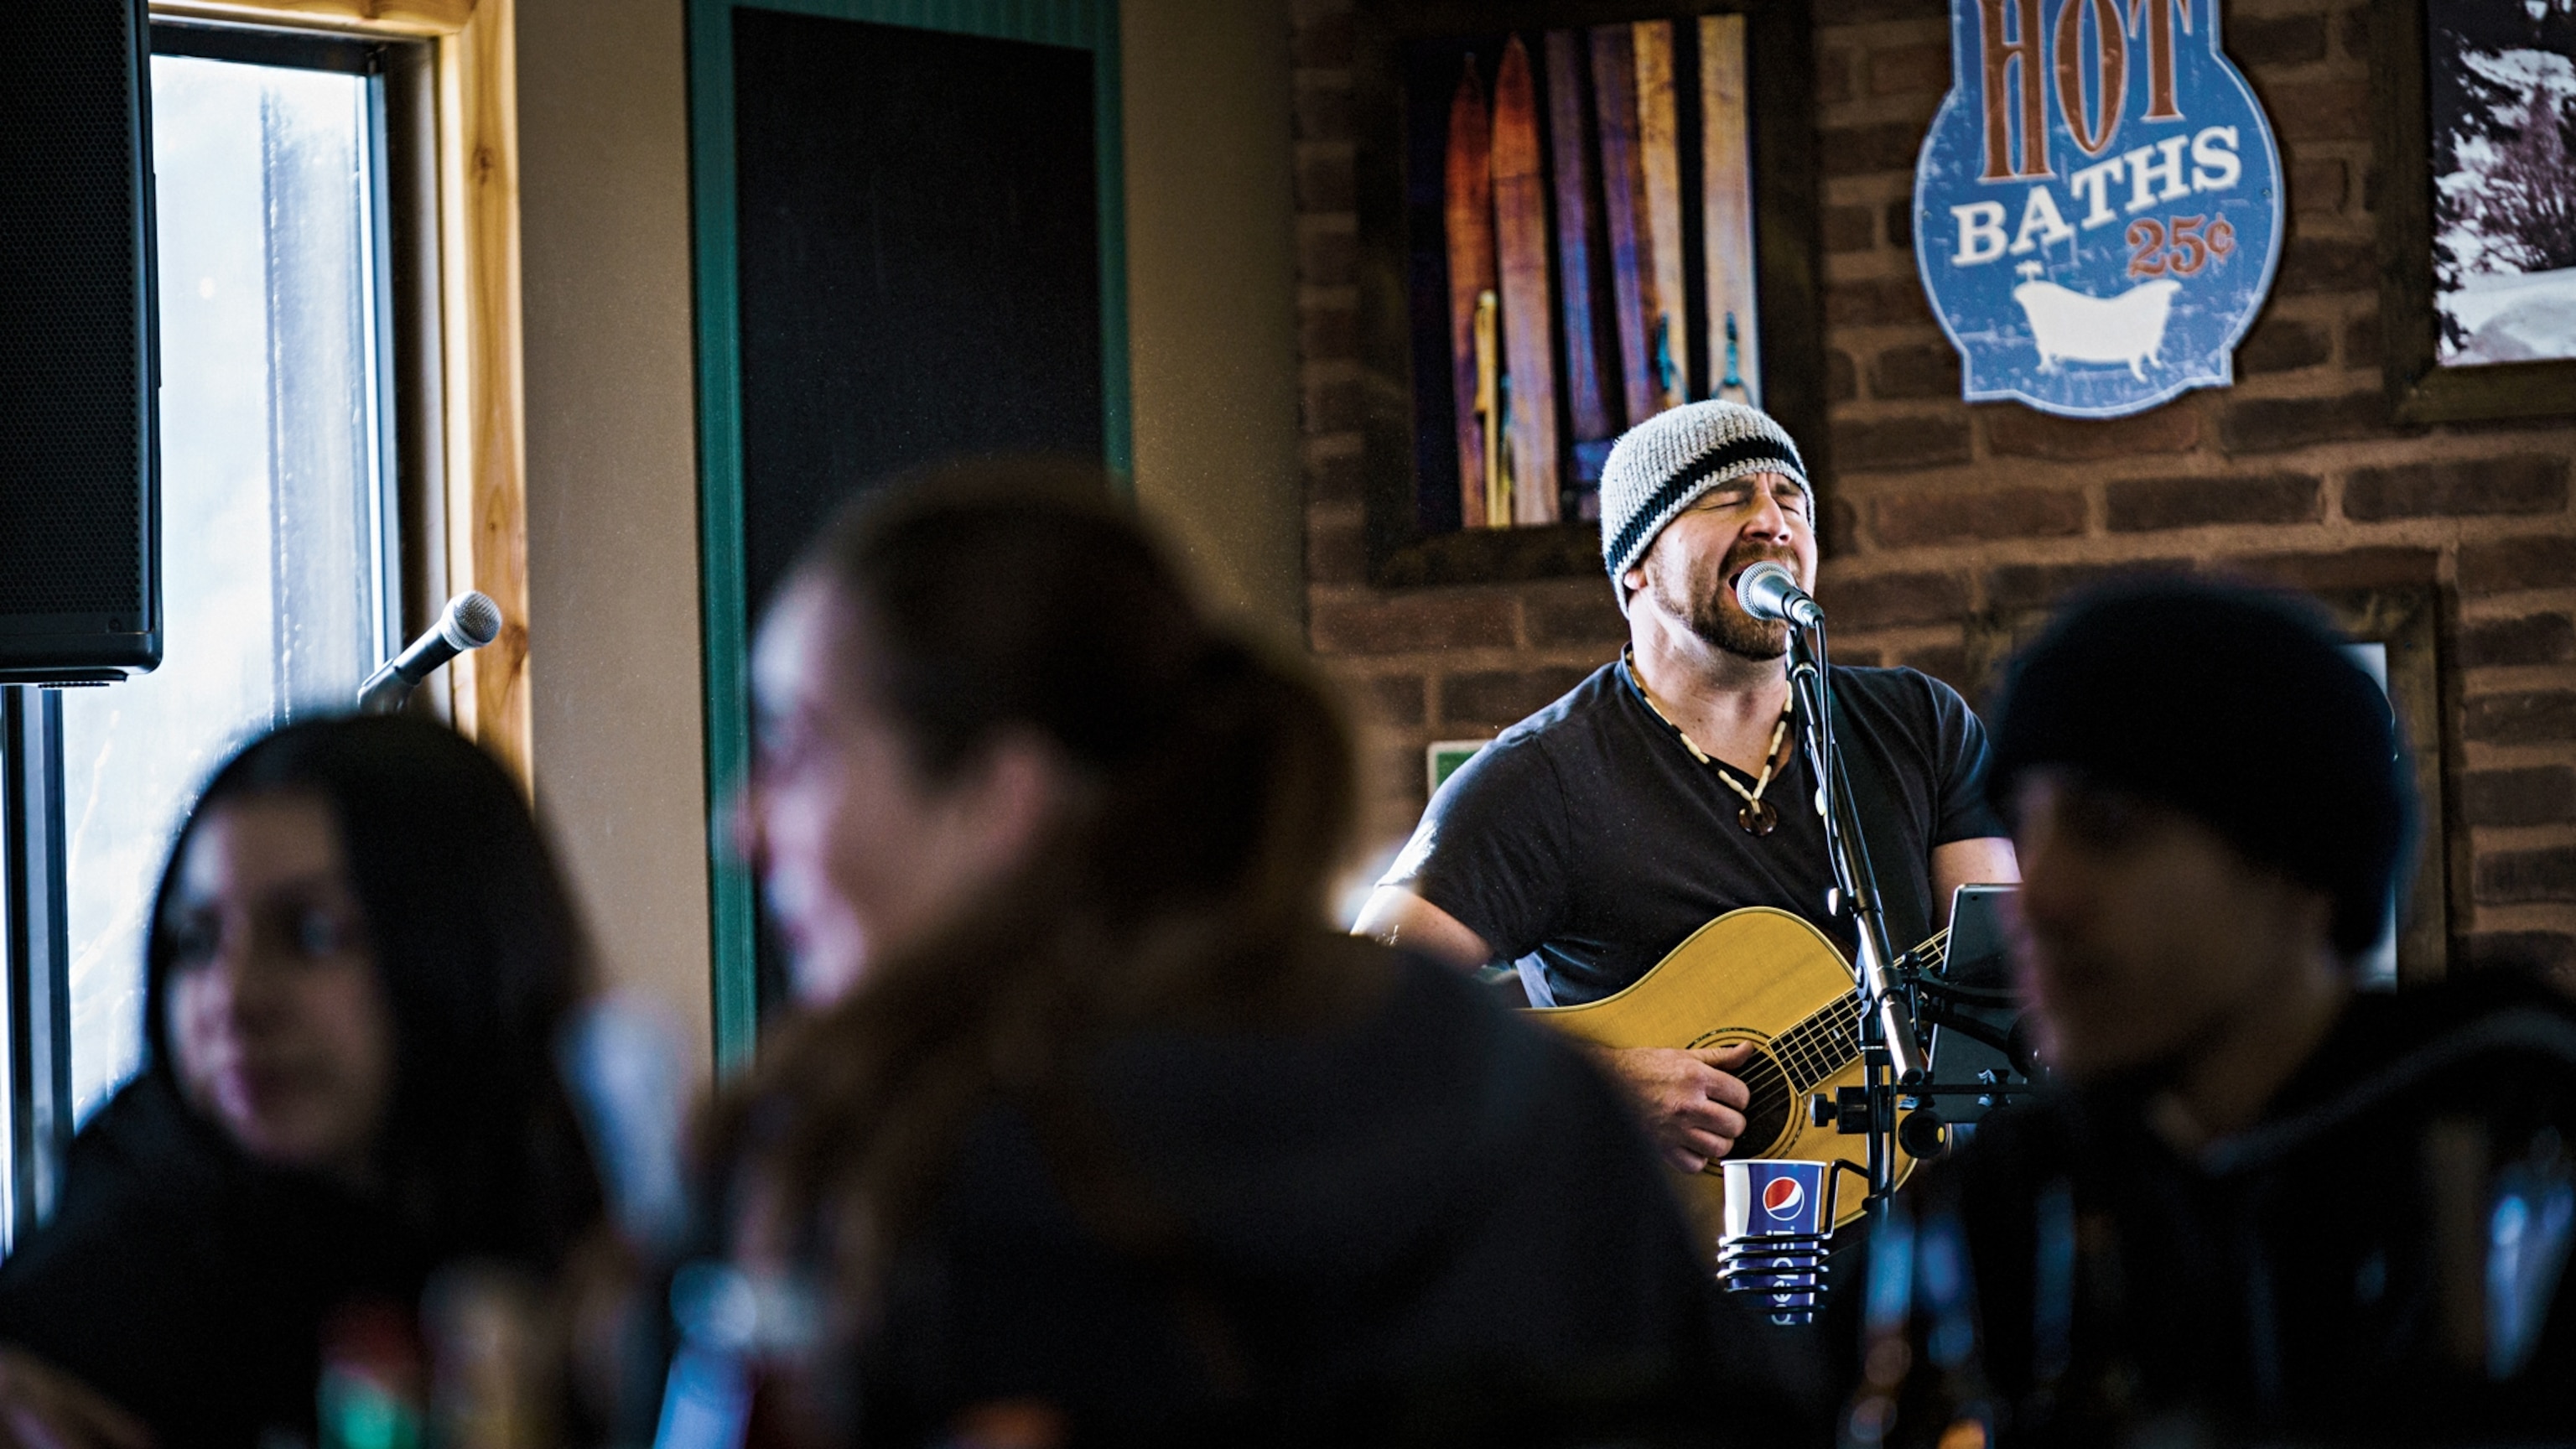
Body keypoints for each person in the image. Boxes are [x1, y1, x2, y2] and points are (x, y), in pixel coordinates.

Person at [712, 461, 1793, 1446]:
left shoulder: (919, 1167)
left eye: (795, 747)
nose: (744, 826)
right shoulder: (1530, 1104)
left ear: (1003, 798)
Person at [1853, 578, 2576, 1446]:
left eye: (2109, 828)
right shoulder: (2014, 1190)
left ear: (2298, 864)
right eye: (2025, 828)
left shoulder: (2513, 1120)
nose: (2035, 898)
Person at [1354, 399, 2018, 1174]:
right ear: (1635, 560)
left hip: (1902, 1248)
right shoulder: (1539, 779)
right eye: (1726, 497)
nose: (1773, 522)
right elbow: (1351, 1003)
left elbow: (1993, 988)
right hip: (1664, 1259)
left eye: (1790, 501)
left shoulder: (1920, 725)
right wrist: (1594, 1087)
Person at [0, 716, 604, 1449]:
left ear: (464, 948)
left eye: (314, 933)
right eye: (196, 941)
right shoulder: (87, 1320)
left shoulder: (601, 1249)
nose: (233, 998)